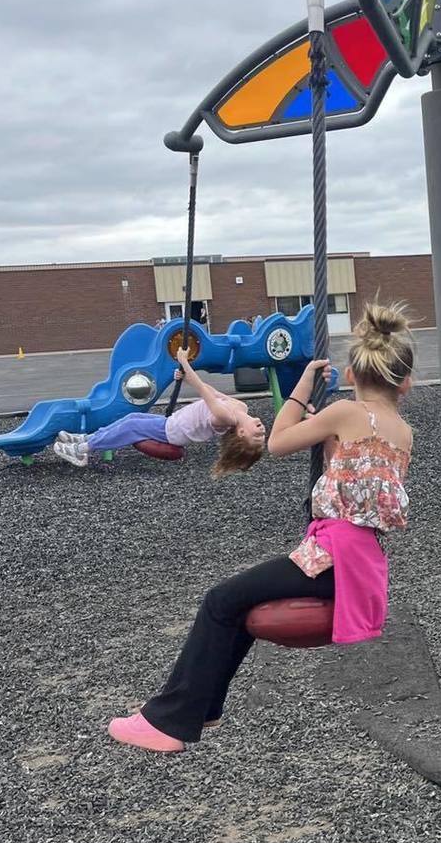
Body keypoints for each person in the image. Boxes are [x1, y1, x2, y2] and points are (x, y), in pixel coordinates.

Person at [107, 303, 415, 753]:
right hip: (363, 558)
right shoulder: (402, 432)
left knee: (220, 599)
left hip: (332, 556)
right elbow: (352, 475)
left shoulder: (347, 411)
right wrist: (324, 429)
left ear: (350, 374)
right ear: (405, 381)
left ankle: (168, 722)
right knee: (233, 607)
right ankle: (203, 707)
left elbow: (278, 442)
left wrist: (303, 386)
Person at [52, 348, 266, 476]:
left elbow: (202, 390)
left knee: (130, 427)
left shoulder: (226, 418)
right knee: (132, 418)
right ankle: (85, 438)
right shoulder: (241, 407)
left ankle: (83, 449)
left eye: (256, 435)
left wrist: (184, 362)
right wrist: (183, 376)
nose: (261, 430)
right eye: (262, 435)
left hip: (173, 432)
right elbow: (213, 391)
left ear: (241, 433)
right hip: (172, 423)